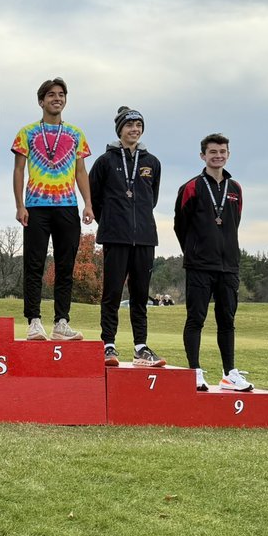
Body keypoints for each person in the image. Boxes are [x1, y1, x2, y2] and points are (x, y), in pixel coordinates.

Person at [11, 77, 93, 341]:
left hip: (67, 206)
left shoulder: (76, 134)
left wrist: (88, 203)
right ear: (41, 101)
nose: (56, 98)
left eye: (61, 95)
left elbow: (81, 171)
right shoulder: (27, 133)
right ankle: (34, 321)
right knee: (33, 266)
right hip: (36, 207)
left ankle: (61, 322)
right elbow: (18, 170)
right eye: (51, 95)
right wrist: (19, 205)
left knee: (65, 266)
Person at [174, 133, 253, 392]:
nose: (218, 156)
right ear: (203, 156)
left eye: (222, 152)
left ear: (228, 155)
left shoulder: (236, 189)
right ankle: (194, 371)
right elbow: (180, 226)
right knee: (196, 318)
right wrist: (195, 251)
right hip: (199, 265)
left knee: (227, 320)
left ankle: (230, 373)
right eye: (212, 152)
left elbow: (234, 222)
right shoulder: (191, 187)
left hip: (228, 265)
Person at [88, 107, 166, 367]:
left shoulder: (152, 162)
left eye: (138, 125)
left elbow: (151, 199)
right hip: (115, 236)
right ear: (120, 129)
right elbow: (94, 197)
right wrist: (111, 221)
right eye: (129, 125)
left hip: (145, 237)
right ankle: (108, 345)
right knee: (111, 293)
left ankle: (141, 347)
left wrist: (137, 220)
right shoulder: (105, 161)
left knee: (140, 295)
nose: (134, 129)